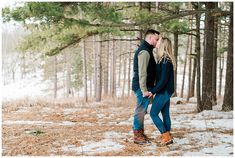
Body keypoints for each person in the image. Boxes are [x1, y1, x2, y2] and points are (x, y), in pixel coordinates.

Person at [132, 29, 160, 144]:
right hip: (142, 87)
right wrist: (144, 90)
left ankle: (140, 134)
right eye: (156, 39)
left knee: (142, 110)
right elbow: (142, 72)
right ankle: (137, 136)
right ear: (150, 38)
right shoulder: (144, 51)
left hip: (145, 86)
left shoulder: (148, 50)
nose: (158, 41)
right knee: (140, 110)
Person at [149, 37, 175, 146]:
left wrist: (153, 91)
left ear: (163, 44)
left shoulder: (165, 60)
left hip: (164, 91)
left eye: (159, 41)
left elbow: (163, 80)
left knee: (153, 113)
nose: (157, 42)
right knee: (165, 114)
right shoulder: (163, 59)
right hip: (165, 91)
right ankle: (167, 135)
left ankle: (165, 135)